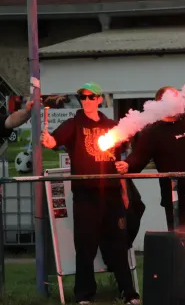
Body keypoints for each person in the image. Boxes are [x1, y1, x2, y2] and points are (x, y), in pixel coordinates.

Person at [115, 86, 185, 303]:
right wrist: (126, 165)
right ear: (159, 104)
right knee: (184, 258)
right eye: (171, 99)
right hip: (180, 206)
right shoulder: (152, 132)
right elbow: (136, 160)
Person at [41, 82, 140, 305]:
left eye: (90, 97)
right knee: (85, 245)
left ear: (99, 99)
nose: (86, 101)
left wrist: (124, 186)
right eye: (82, 97)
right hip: (86, 194)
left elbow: (122, 156)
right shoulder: (74, 123)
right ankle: (84, 295)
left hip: (112, 193)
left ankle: (128, 292)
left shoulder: (112, 125)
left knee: (119, 243)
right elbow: (54, 141)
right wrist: (49, 141)